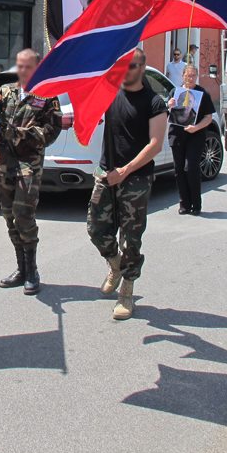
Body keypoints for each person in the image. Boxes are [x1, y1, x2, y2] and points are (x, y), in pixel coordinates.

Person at [88, 48, 167, 321]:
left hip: (135, 178)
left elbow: (155, 144)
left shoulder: (154, 102)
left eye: (131, 66)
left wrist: (125, 170)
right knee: (96, 228)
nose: (126, 70)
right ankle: (115, 265)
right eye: (122, 65)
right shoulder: (110, 93)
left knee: (131, 239)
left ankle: (127, 292)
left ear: (142, 68)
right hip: (106, 173)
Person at [0, 48, 62, 295]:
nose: (21, 71)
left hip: (29, 165)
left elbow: (53, 129)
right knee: (8, 216)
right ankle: (21, 268)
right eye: (19, 66)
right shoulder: (7, 91)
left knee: (23, 215)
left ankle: (33, 269)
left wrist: (26, 134)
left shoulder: (47, 95)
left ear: (37, 67)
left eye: (27, 66)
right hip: (5, 163)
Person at [167, 65, 216, 215]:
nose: (191, 78)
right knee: (179, 169)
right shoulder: (175, 92)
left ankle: (196, 204)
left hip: (195, 135)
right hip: (177, 134)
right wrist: (169, 105)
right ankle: (184, 204)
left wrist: (197, 127)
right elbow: (168, 112)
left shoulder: (202, 93)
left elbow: (209, 117)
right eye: (188, 76)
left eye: (193, 76)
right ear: (182, 76)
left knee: (191, 168)